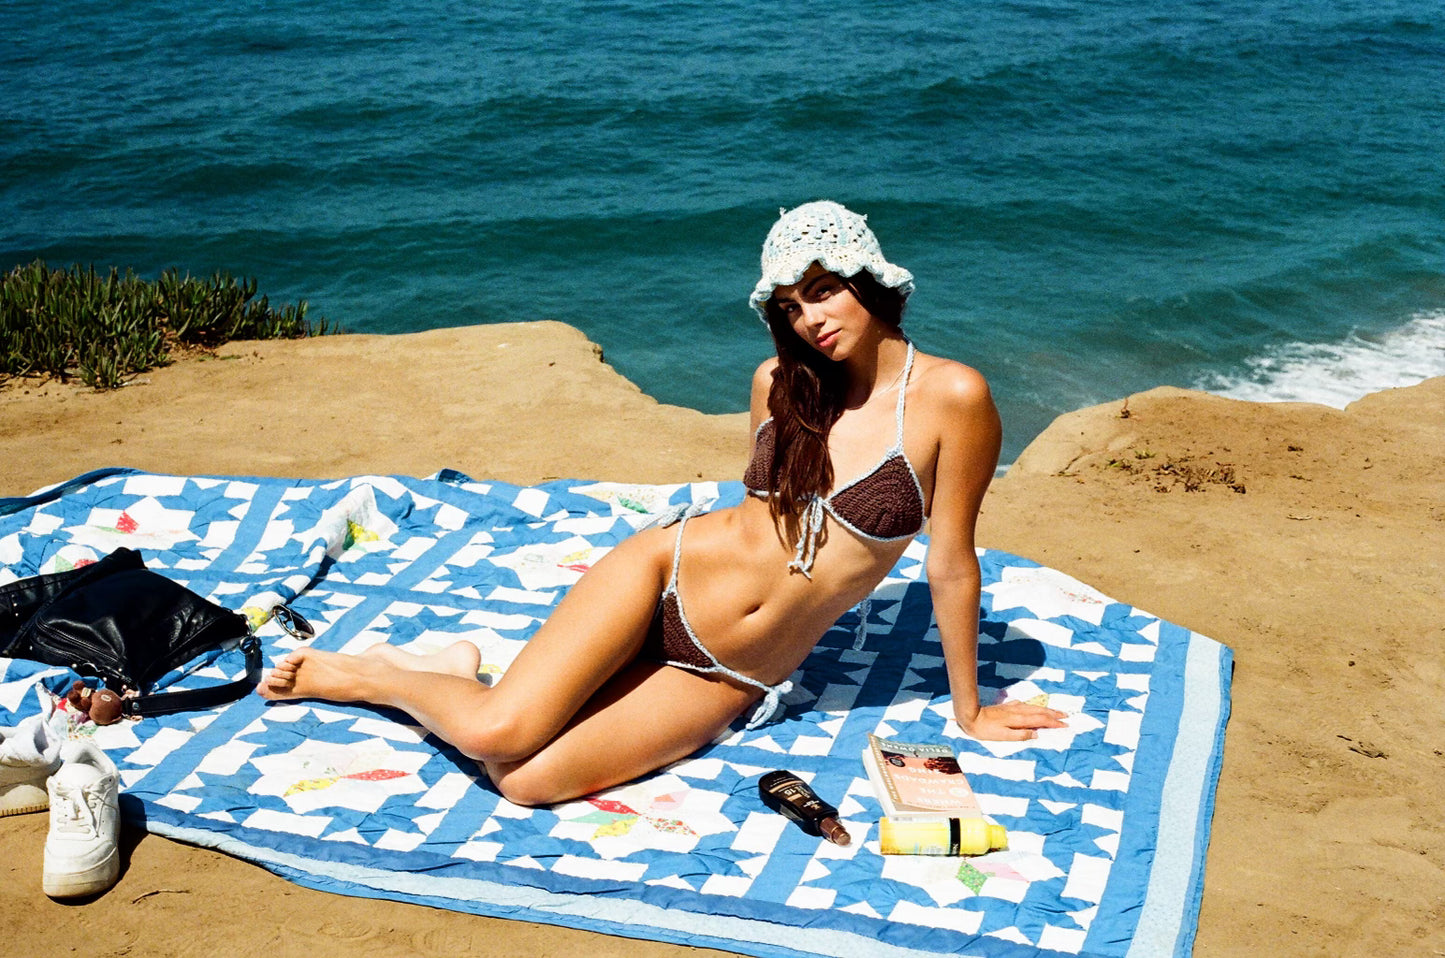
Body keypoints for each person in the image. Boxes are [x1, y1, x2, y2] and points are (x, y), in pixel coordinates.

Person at [258, 200, 1067, 805]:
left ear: (867, 283)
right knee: (496, 732)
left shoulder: (952, 396)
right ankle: (378, 678)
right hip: (663, 575)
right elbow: (756, 521)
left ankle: (448, 672)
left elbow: (951, 561)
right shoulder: (778, 385)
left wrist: (969, 710)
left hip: (732, 669)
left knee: (525, 781)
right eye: (788, 307)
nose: (808, 319)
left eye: (822, 292)